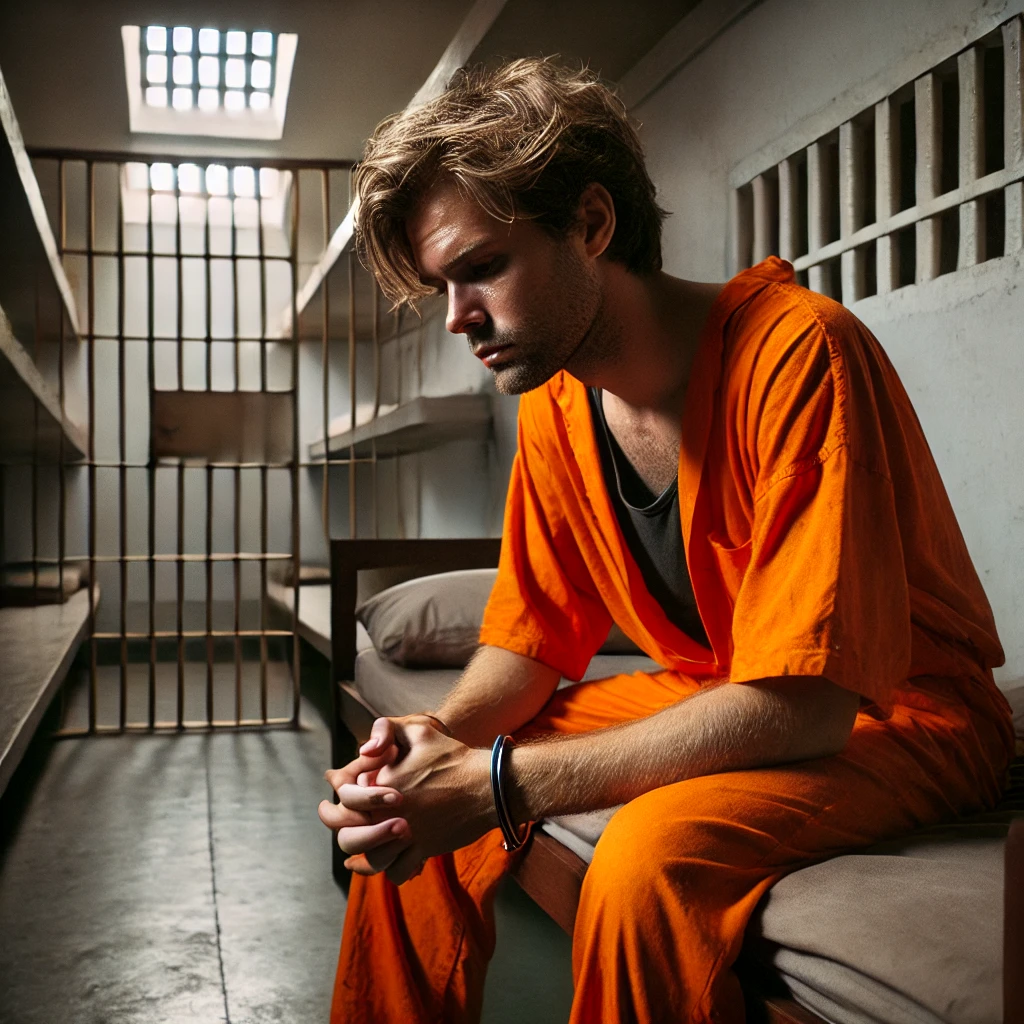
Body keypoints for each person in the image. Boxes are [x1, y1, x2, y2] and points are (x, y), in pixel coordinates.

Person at [317, 58, 1014, 1024]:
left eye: (482, 268)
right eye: (443, 286)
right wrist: (437, 740)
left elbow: (807, 706)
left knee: (644, 865)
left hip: (898, 710)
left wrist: (498, 785)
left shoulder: (800, 354)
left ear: (593, 225)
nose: (458, 320)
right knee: (409, 797)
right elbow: (527, 642)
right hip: (717, 688)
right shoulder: (559, 406)